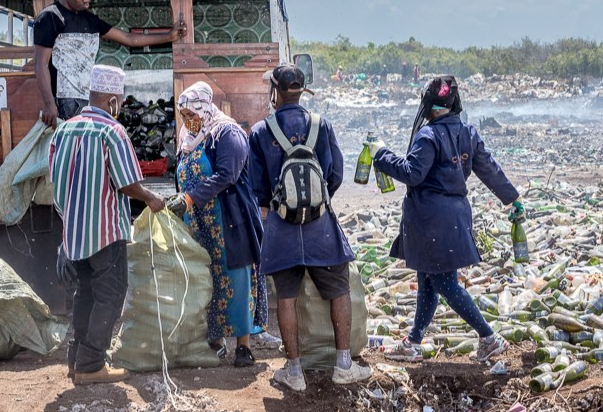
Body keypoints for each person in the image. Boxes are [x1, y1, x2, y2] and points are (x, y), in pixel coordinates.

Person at [371, 75, 524, 364]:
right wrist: (512, 198)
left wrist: (382, 156)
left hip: (431, 220)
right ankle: (414, 341)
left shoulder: (428, 136)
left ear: (430, 105)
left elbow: (412, 173)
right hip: (456, 216)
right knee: (428, 279)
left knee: (443, 282)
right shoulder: (467, 133)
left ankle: (488, 337)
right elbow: (488, 168)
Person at [248, 64, 372, 391]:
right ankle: (344, 364)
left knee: (285, 297)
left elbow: (256, 186)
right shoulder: (322, 125)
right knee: (338, 290)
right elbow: (336, 174)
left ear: (275, 91)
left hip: (281, 228)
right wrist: (315, 202)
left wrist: (281, 205)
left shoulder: (261, 131)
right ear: (302, 91)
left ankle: (294, 371)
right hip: (322, 228)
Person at [49, 64, 167, 385]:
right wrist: (151, 198)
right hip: (105, 232)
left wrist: (71, 218)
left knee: (85, 292)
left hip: (75, 233)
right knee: (112, 294)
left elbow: (55, 184)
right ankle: (91, 365)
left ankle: (76, 360)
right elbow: (127, 182)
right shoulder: (111, 132)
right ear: (113, 99)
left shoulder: (64, 130)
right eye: (120, 100)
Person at [165, 81, 266, 368]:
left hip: (228, 220)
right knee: (206, 279)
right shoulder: (188, 136)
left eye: (191, 114)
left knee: (235, 278)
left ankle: (243, 346)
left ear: (205, 108)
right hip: (198, 223)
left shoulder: (226, 133)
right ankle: (216, 341)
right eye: (183, 115)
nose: (188, 121)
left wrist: (189, 198)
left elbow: (227, 175)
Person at [35, 0, 186, 127]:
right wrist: (49, 103)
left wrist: (169, 36)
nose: (87, 0)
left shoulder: (90, 20)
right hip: (65, 101)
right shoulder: (50, 17)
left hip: (89, 99)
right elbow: (41, 63)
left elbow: (128, 38)